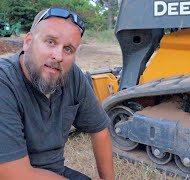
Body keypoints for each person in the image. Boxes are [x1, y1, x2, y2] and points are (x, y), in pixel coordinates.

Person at [0, 7, 114, 180]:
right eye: (50, 42)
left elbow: (99, 131)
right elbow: (14, 174)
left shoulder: (71, 75)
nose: (58, 56)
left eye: (68, 49)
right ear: (28, 41)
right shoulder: (5, 82)